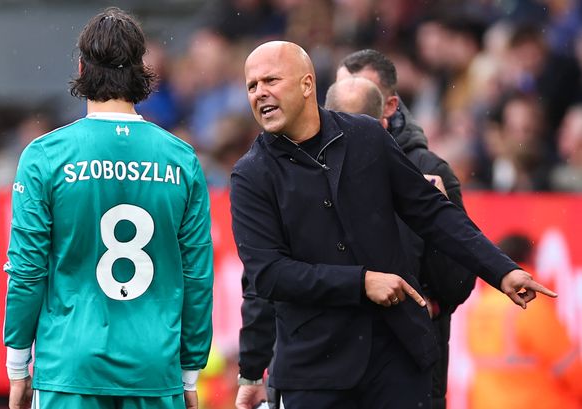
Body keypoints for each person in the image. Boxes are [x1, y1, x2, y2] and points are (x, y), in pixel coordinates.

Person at [231, 40, 556, 409]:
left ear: (307, 84)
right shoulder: (250, 175)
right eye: (252, 86)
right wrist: (361, 282)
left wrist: (501, 270)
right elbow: (268, 276)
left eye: (270, 80)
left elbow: (432, 212)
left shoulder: (367, 137)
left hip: (397, 358)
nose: (260, 93)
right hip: (314, 373)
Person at [3, 8, 214, 409]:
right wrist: (189, 371)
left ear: (82, 68)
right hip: (154, 367)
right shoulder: (182, 159)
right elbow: (198, 275)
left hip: (70, 367)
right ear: (141, 71)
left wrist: (17, 364)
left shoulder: (45, 156)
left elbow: (27, 269)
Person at [335, 49, 477, 409]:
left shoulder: (430, 173)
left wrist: (436, 222)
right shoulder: (307, 169)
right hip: (332, 375)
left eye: (363, 94)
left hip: (410, 376)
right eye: (339, 95)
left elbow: (457, 285)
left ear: (389, 105)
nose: (345, 110)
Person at [467, 233, 582, 409]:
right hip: (532, 403)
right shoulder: (528, 305)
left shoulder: (483, 303)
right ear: (531, 258)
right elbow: (569, 365)